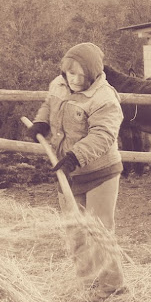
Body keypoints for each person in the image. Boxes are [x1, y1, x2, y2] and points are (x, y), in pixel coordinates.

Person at [28, 42, 125, 228]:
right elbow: (49, 105)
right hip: (67, 171)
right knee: (74, 232)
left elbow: (103, 135)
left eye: (84, 76)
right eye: (72, 74)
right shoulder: (58, 84)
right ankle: (79, 259)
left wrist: (75, 156)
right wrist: (41, 122)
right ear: (65, 70)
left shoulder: (104, 98)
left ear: (94, 74)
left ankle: (103, 259)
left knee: (98, 231)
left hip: (99, 173)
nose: (77, 80)